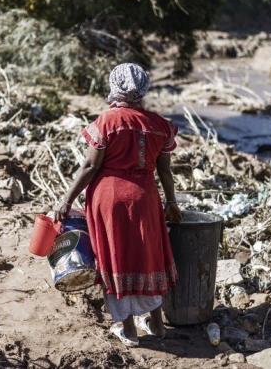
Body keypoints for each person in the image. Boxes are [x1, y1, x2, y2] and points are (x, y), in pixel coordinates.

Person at [55, 63, 182, 347]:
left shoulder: (107, 122)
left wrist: (66, 200)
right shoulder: (159, 125)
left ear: (115, 86)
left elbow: (89, 166)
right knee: (148, 256)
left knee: (117, 256)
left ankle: (128, 329)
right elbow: (165, 171)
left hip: (109, 199)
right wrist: (171, 201)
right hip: (146, 197)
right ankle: (157, 324)